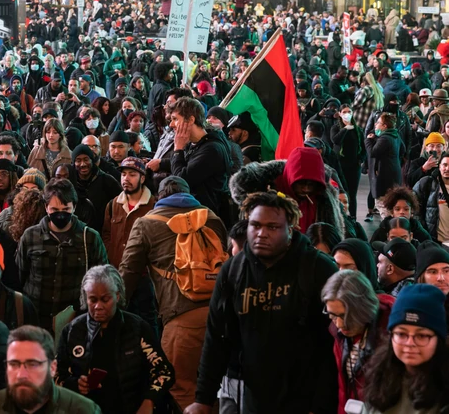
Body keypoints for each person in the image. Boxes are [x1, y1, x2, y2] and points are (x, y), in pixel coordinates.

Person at [185, 191, 339, 414]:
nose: (261, 234)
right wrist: (203, 399)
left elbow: (332, 345)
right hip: (254, 397)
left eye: (272, 227)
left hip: (306, 398)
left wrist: (322, 404)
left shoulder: (318, 269)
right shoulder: (233, 270)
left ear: (290, 229)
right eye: (255, 225)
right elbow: (216, 338)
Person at [118, 175, 228, 410]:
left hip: (181, 319)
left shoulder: (146, 223)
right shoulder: (212, 218)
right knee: (218, 386)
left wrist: (115, 310)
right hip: (222, 316)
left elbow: (128, 272)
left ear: (159, 198)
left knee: (179, 386)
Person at [56, 265, 174, 413]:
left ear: (117, 296)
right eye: (92, 300)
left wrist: (149, 400)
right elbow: (57, 375)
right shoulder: (72, 331)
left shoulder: (137, 328)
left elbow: (164, 372)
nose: (98, 306)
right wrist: (75, 384)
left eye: (105, 300)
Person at [16, 178, 108, 331]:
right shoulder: (30, 236)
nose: (60, 215)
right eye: (54, 210)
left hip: (75, 319)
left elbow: (101, 278)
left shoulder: (90, 238)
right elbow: (20, 274)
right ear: (46, 207)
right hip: (36, 316)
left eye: (65, 210)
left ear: (74, 207)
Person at [0, 325, 104, 414]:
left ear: (52, 368)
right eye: (14, 364)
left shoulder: (85, 411)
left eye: (32, 364)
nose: (21, 375)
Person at [363, 284, 449, 413]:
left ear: (439, 340)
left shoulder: (444, 389)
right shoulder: (380, 376)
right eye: (401, 334)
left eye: (421, 336)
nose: (410, 343)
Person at [321, 269, 394, 413]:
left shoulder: (390, 332)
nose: (340, 324)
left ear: (363, 309)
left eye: (347, 316)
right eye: (333, 315)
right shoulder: (339, 333)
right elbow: (344, 388)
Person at [169, 97, 233, 221]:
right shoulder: (196, 143)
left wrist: (178, 149)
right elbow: (189, 162)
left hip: (206, 219)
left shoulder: (211, 149)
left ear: (191, 120)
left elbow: (181, 179)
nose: (171, 124)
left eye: (175, 119)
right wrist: (160, 163)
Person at [102, 157, 155, 269]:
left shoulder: (153, 206)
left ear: (142, 178)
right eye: (123, 174)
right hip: (116, 270)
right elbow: (106, 235)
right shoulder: (113, 205)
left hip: (143, 274)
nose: (126, 179)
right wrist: (111, 254)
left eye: (132, 174)